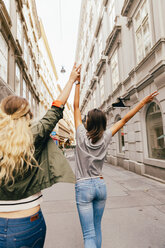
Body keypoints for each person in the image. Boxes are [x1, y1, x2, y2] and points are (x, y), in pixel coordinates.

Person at [73, 71, 158, 248]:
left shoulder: (81, 135)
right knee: (97, 228)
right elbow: (125, 119)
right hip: (100, 186)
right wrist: (142, 102)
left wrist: (77, 82)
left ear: (87, 122)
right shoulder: (106, 136)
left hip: (83, 187)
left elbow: (75, 107)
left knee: (88, 234)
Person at [0, 63, 80, 248]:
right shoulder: (35, 133)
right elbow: (57, 108)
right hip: (27, 222)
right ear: (28, 114)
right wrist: (71, 80)